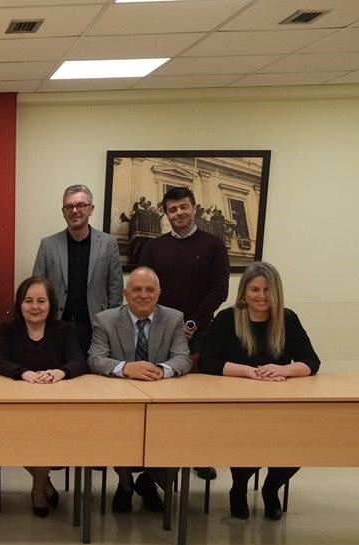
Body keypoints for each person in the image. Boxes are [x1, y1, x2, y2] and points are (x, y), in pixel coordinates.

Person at [200, 261, 320, 521]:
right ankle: (239, 488)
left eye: (268, 290)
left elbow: (312, 361)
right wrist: (248, 371)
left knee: (303, 442)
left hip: (280, 405)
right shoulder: (226, 319)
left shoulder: (288, 319)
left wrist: (284, 369)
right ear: (244, 292)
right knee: (249, 441)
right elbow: (207, 362)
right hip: (238, 406)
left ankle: (271, 488)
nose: (262, 296)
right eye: (255, 289)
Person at [137, 186, 230, 482]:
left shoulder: (214, 244)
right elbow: (145, 291)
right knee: (161, 395)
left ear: (194, 208)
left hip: (199, 333)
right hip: (158, 332)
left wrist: (190, 325)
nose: (179, 213)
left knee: (198, 399)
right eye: (172, 209)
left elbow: (219, 291)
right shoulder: (153, 248)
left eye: (184, 207)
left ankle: (199, 455)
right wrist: (167, 325)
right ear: (166, 213)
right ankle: (158, 456)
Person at [88, 266, 191, 514]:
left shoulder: (174, 318)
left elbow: (183, 358)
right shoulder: (105, 320)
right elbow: (95, 358)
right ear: (125, 293)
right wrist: (126, 368)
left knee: (181, 431)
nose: (143, 295)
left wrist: (160, 370)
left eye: (149, 290)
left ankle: (149, 481)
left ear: (159, 294)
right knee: (120, 430)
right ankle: (125, 484)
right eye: (136, 289)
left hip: (163, 402)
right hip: (121, 403)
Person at [0, 276, 87, 517]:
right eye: (28, 300)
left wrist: (59, 372)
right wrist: (23, 373)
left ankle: (37, 490)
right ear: (20, 304)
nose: (34, 307)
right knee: (7, 438)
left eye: (41, 301)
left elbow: (78, 361)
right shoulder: (8, 330)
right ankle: (45, 484)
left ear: (51, 304)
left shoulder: (63, 330)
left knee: (44, 434)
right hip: (15, 407)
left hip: (55, 409)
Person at [32, 185, 123, 354]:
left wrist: (110, 328)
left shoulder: (109, 244)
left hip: (95, 329)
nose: (74, 211)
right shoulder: (48, 245)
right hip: (56, 326)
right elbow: (36, 288)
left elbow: (115, 291)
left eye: (80, 205)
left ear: (91, 209)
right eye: (69, 206)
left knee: (93, 370)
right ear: (63, 211)